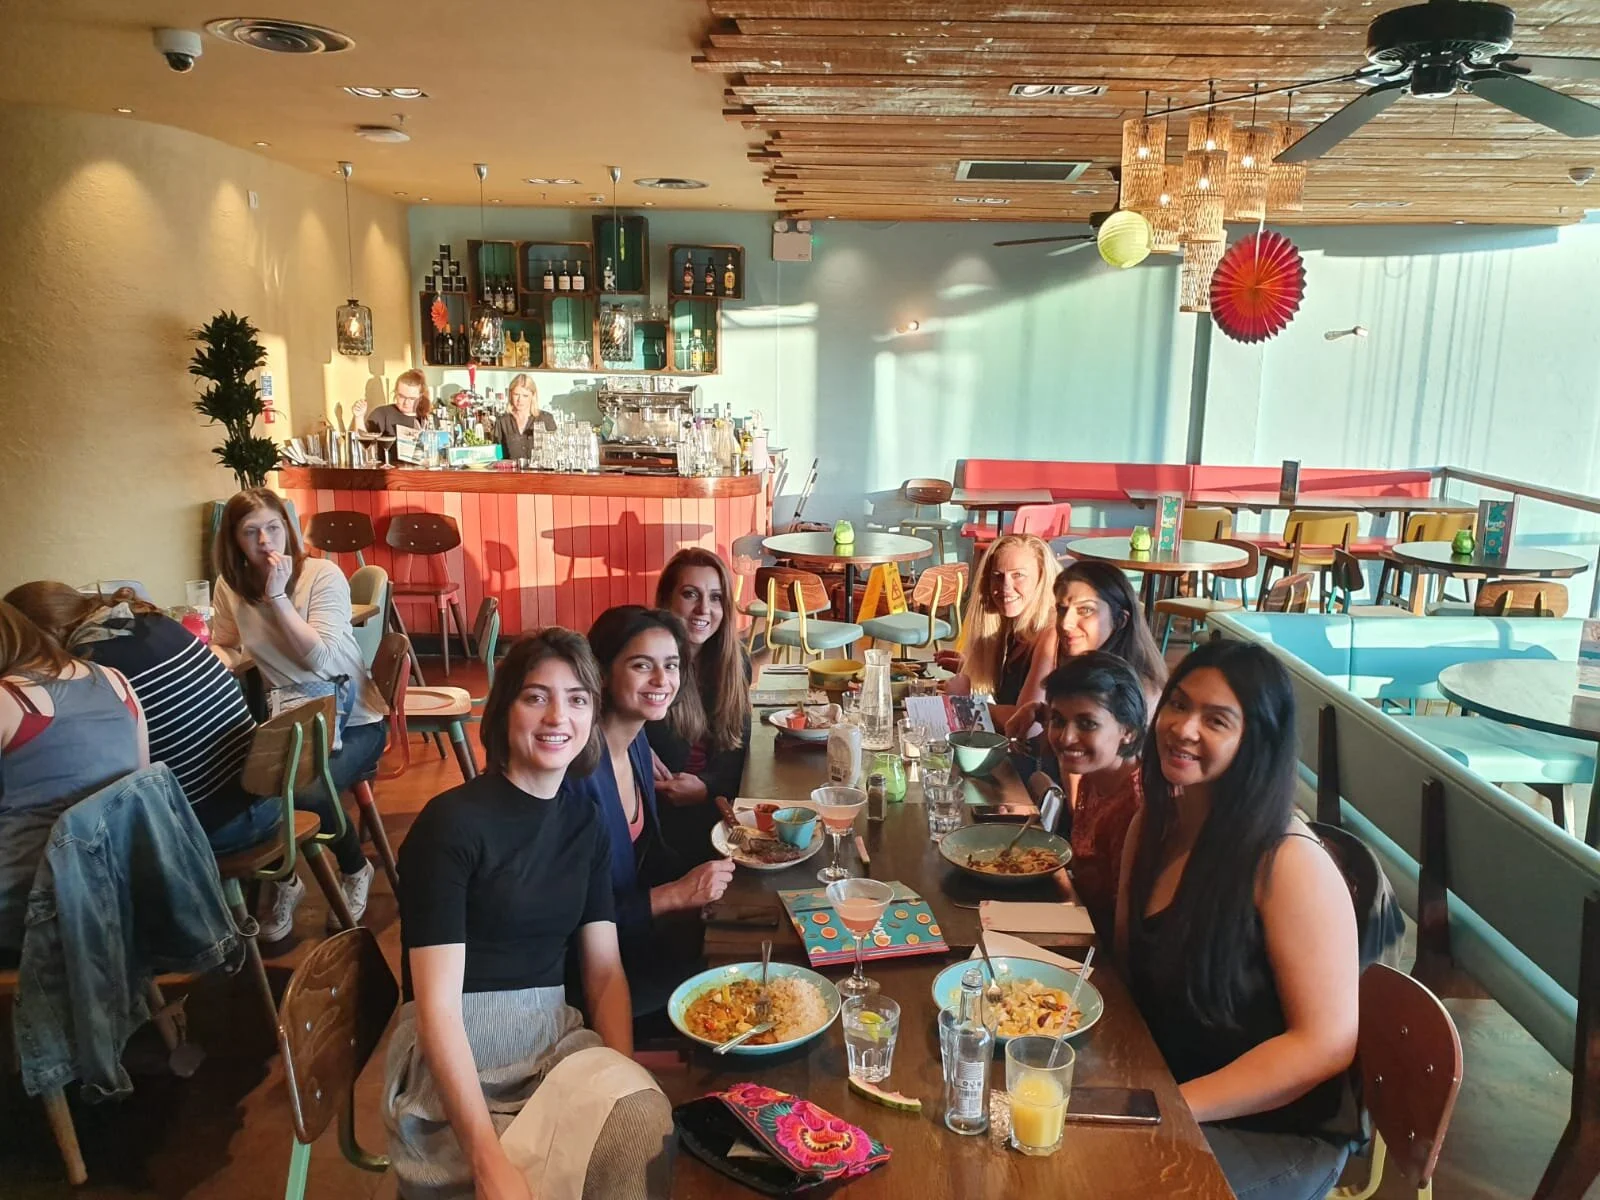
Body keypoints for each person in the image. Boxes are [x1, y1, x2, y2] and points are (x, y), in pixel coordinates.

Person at [385, 628, 674, 1200]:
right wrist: (487, 1163)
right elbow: (437, 1010)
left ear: (592, 714)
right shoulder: (451, 825)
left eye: (577, 699)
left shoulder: (584, 823)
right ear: (504, 710)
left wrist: (619, 1081)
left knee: (645, 1125)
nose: (557, 717)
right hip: (457, 1059)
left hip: (551, 1039)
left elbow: (604, 973)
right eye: (536, 697)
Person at [1117, 640, 1360, 1200]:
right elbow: (1127, 972)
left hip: (1272, 1132)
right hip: (1164, 1083)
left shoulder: (1289, 861)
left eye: (1216, 720)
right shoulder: (1153, 825)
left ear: (1258, 741)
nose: (1183, 728)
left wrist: (1172, 1105)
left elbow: (1325, 1043)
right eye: (1179, 704)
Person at [210, 487, 387, 939]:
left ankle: (355, 868)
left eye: (273, 528)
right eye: (250, 532)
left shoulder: (322, 575)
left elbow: (318, 660)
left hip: (356, 721)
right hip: (291, 719)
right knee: (238, 780)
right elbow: (227, 642)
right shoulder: (231, 585)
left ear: (287, 529)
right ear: (234, 541)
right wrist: (210, 661)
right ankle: (285, 880)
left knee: (303, 788)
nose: (264, 541)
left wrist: (277, 598)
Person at [6, 581, 273, 855]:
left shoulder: (89, 666)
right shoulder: (152, 620)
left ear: (36, 637)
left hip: (210, 830)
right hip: (271, 798)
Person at [574, 606, 735, 1016]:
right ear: (602, 673)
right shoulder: (577, 774)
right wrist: (676, 895)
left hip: (643, 942)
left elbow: (654, 856)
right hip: (597, 977)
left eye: (671, 665)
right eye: (642, 665)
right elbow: (573, 921)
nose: (662, 680)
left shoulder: (637, 745)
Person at [0, 600, 147, 957]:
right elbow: (141, 788)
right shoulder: (116, 680)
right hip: (124, 895)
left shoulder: (7, 699)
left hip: (33, 914)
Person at [646, 549, 751, 861]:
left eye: (716, 598)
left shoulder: (736, 662)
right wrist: (630, 746)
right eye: (690, 594)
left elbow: (738, 748)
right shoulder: (647, 665)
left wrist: (707, 787)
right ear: (667, 600)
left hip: (719, 805)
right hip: (660, 820)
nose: (704, 609)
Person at [1038, 654, 1146, 934]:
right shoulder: (1093, 773)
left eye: (1087, 724)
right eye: (1058, 720)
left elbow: (1124, 927)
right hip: (1075, 918)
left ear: (1128, 732)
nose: (1066, 737)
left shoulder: (1135, 805)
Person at [1005, 559, 1167, 741]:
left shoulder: (1139, 694)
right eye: (1062, 609)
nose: (1066, 624)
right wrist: (1043, 714)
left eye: (1085, 610)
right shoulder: (1083, 673)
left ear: (1120, 620)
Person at [938, 532, 1059, 706]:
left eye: (1018, 575)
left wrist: (964, 700)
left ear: (1042, 578)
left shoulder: (1051, 633)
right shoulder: (1015, 626)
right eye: (997, 576)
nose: (1005, 587)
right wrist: (969, 667)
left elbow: (1029, 718)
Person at [353, 369, 431, 464]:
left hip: (422, 471)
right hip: (389, 471)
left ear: (421, 397)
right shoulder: (382, 413)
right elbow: (363, 445)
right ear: (395, 392)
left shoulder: (428, 419)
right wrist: (359, 417)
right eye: (401, 396)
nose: (406, 402)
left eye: (412, 398)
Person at [495, 374, 558, 462]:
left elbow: (556, 452)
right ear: (510, 395)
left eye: (525, 396)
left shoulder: (546, 419)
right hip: (511, 470)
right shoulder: (502, 421)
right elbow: (497, 457)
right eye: (516, 394)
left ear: (533, 396)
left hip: (540, 470)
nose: (520, 400)